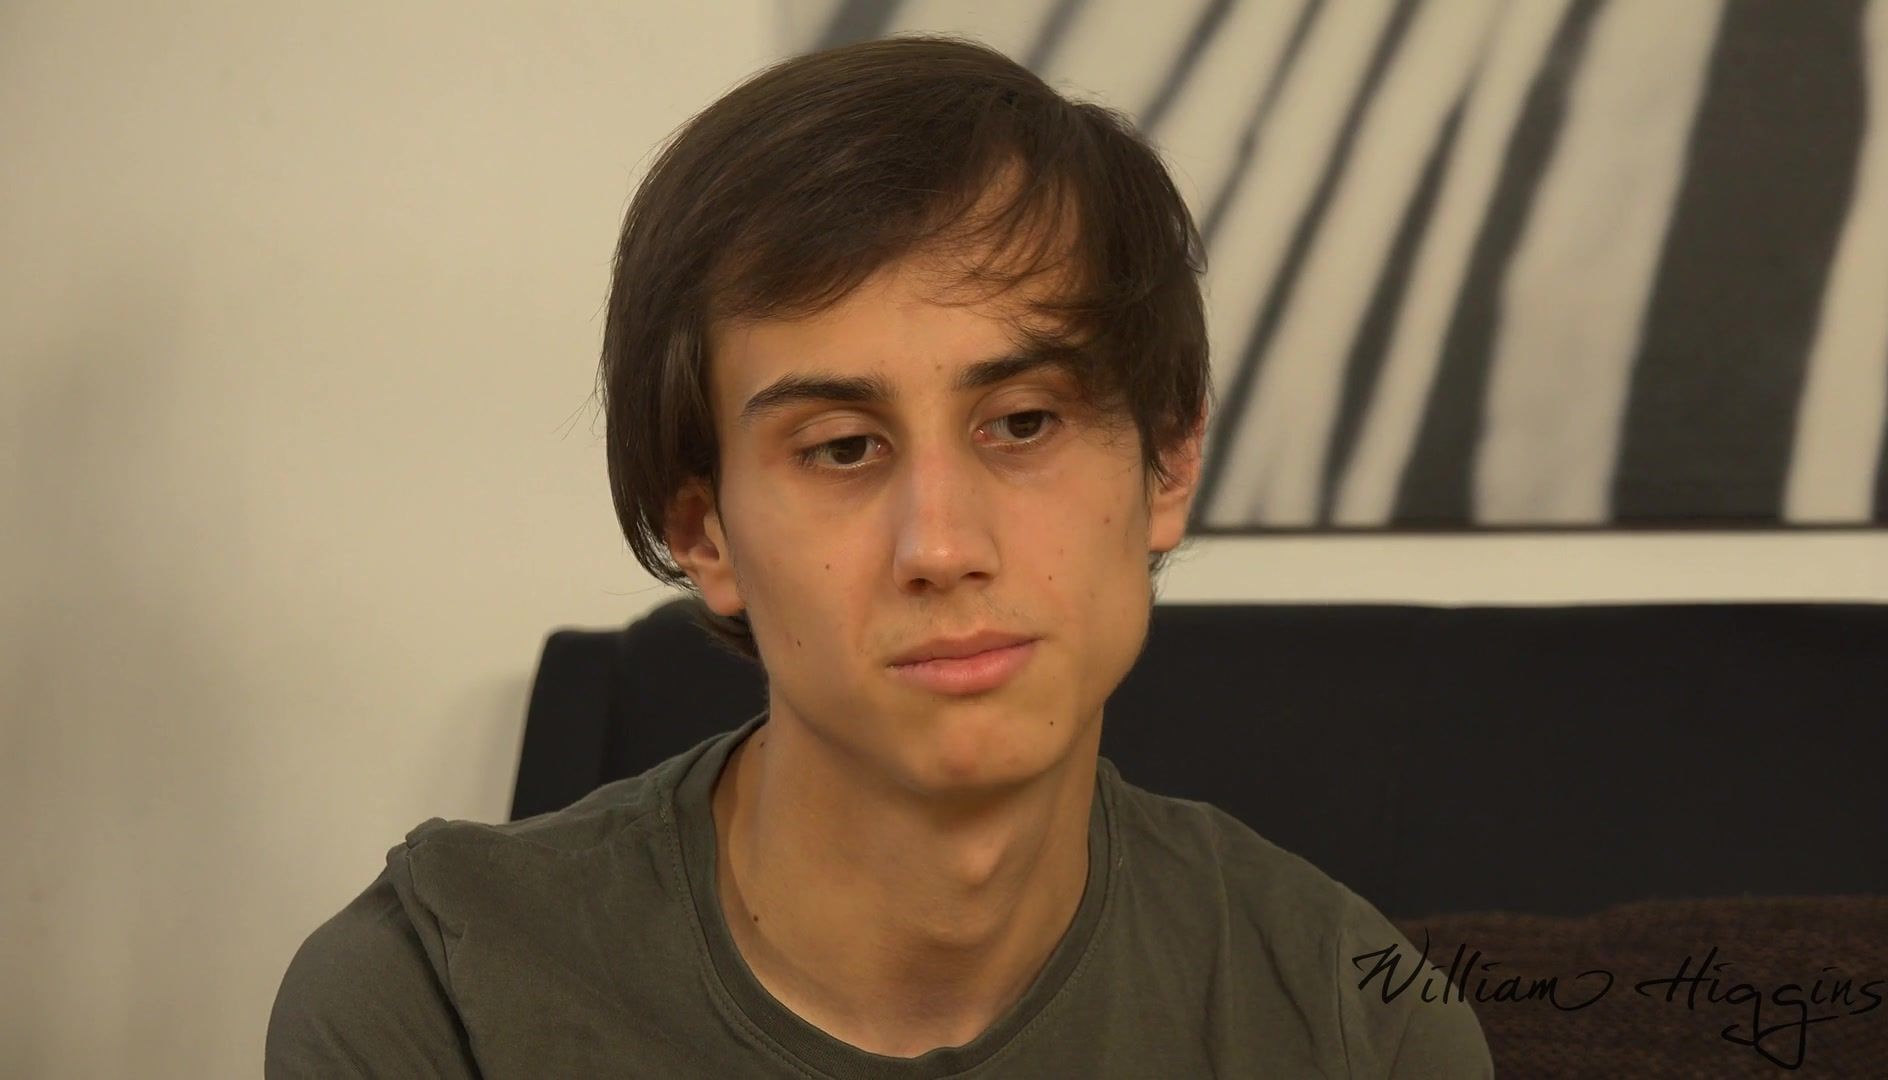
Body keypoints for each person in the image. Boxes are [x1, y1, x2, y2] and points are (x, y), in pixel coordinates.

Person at [267, 34, 1494, 1078]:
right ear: (704, 532)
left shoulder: (1361, 1025)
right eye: (843, 449)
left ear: (1167, 466)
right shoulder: (433, 1006)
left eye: (1025, 424)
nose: (943, 547)